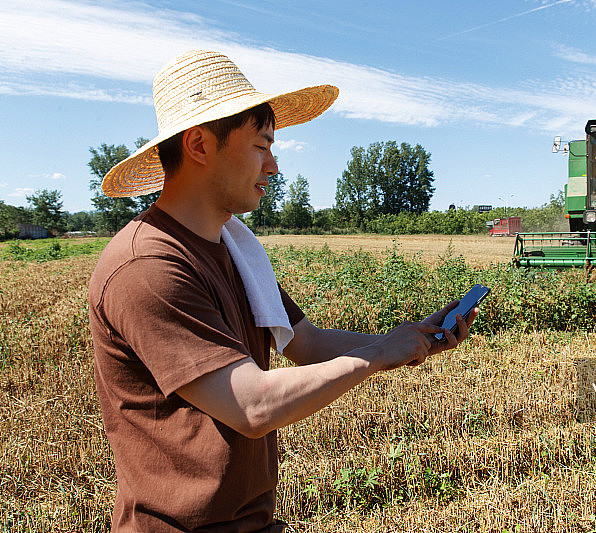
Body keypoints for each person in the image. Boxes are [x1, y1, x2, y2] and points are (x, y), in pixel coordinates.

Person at [88, 50, 476, 532]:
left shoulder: (234, 248)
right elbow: (252, 405)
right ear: (199, 145)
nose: (272, 166)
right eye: (261, 146)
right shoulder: (148, 266)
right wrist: (376, 356)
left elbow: (306, 342)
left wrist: (407, 341)